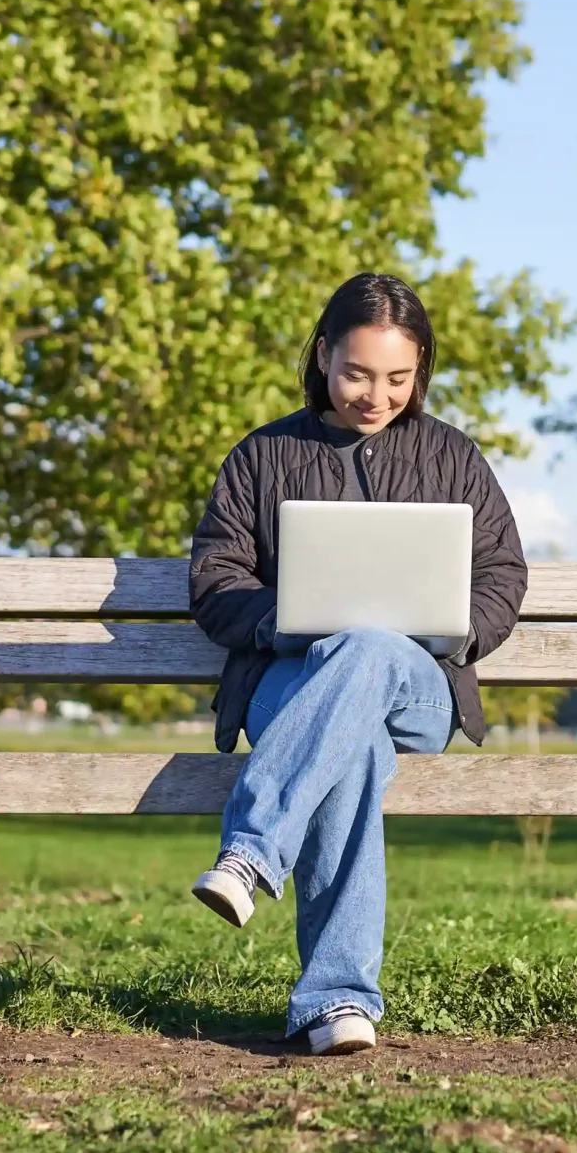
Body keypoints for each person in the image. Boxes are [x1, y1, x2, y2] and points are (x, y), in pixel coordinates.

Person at [187, 272, 526, 1055]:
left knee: (370, 646)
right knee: (355, 749)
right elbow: (215, 580)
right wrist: (284, 620)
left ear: (422, 370)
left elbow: (502, 575)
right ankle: (337, 1004)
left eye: (399, 379)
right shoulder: (263, 455)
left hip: (419, 688)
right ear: (321, 356)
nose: (377, 395)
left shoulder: (452, 456)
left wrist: (456, 630)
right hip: (289, 683)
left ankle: (251, 853)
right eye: (357, 374)